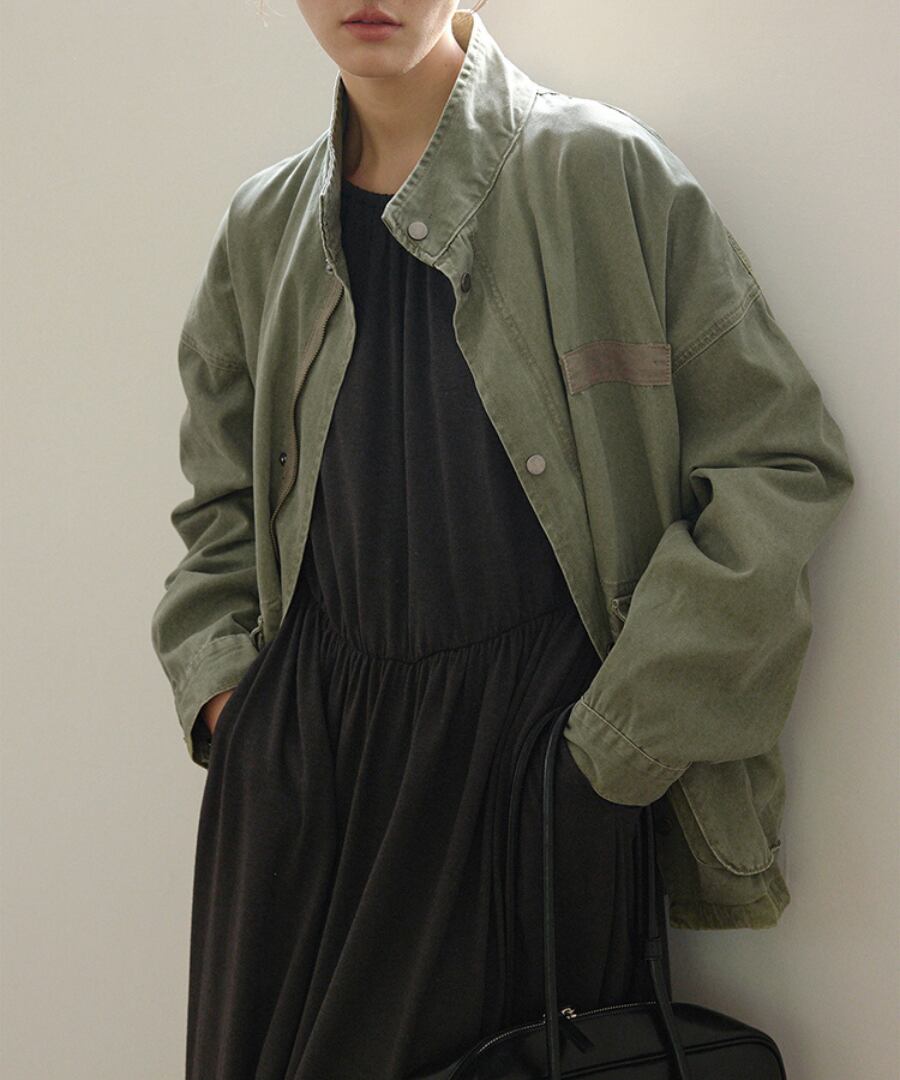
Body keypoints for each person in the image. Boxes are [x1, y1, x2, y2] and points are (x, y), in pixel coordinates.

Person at [150, 2, 854, 1077]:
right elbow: (220, 508)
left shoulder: (599, 174)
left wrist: (608, 752)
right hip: (301, 790)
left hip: (530, 788)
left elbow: (780, 464)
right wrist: (236, 714)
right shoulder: (263, 229)